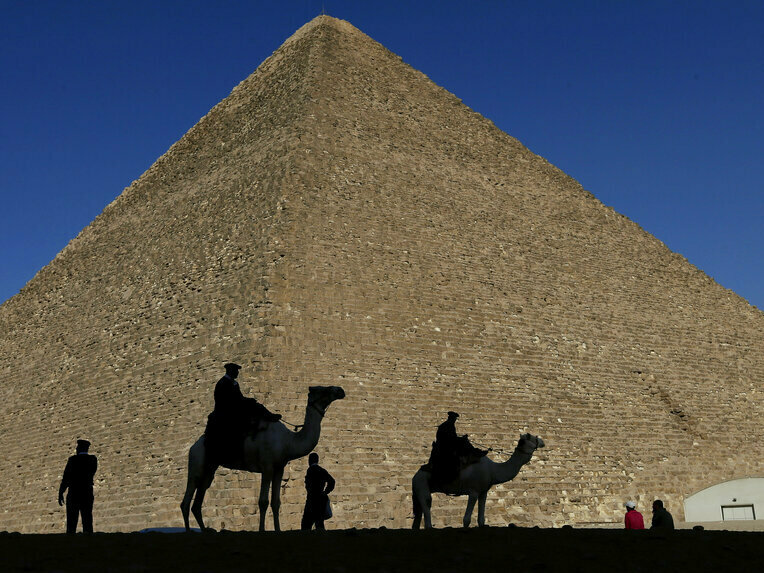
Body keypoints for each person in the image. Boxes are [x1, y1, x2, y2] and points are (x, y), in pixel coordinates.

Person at [206, 362, 280, 464]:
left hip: (235, 407)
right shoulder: (223, 383)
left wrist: (248, 401)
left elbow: (239, 398)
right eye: (236, 371)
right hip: (226, 411)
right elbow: (227, 401)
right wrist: (245, 402)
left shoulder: (234, 383)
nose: (237, 373)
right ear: (231, 371)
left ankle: (269, 419)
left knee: (257, 406)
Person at [58, 439, 98, 534]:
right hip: (87, 492)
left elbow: (66, 477)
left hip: (74, 493)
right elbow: (92, 472)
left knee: (71, 521)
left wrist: (61, 492)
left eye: (77, 447)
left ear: (79, 448)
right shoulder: (93, 459)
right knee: (87, 519)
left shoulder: (72, 460)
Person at [301, 452, 335, 531]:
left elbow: (308, 485)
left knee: (306, 525)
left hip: (311, 500)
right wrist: (325, 492)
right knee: (319, 523)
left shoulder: (310, 470)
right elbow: (332, 481)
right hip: (320, 499)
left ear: (309, 461)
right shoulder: (322, 470)